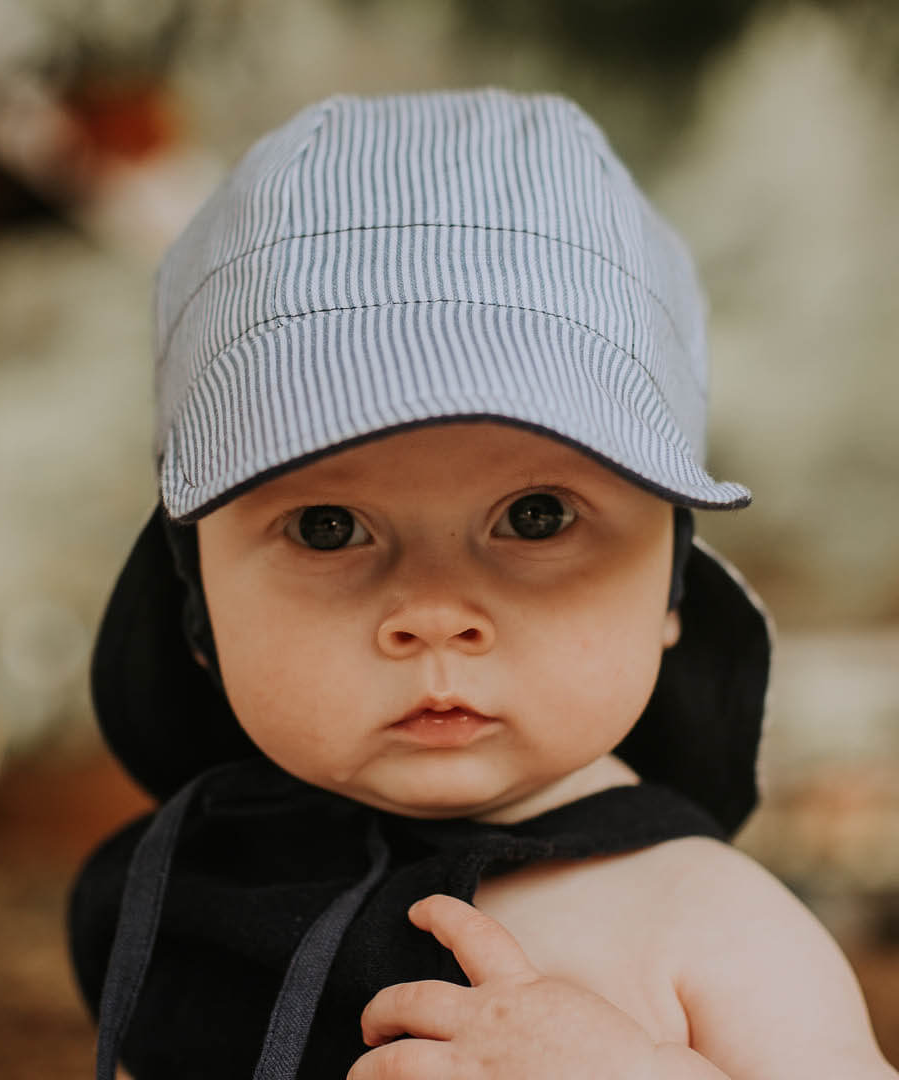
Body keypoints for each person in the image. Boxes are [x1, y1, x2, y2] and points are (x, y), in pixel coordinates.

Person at [68, 90, 897, 1079]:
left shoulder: (712, 923)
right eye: (328, 526)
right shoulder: (182, 890)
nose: (434, 616)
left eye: (537, 516)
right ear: (194, 603)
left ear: (674, 581)